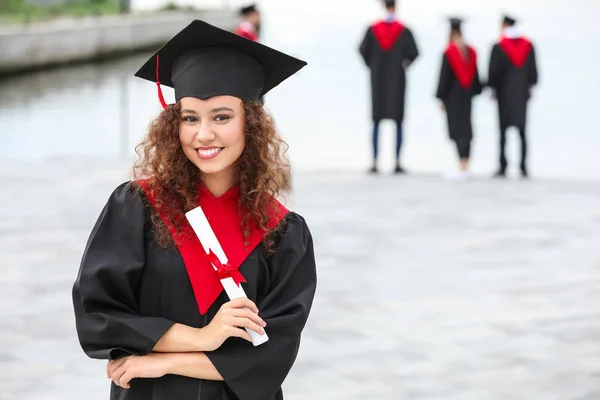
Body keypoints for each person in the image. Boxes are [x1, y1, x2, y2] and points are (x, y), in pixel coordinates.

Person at [71, 20, 316, 400]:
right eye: (190, 118)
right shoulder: (136, 208)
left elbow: (272, 355)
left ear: (250, 125)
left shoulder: (283, 233)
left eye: (221, 117)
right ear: (174, 125)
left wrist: (162, 360)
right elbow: (99, 317)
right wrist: (203, 337)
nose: (203, 135)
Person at [359, 0, 419, 174]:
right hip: (397, 81)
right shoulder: (404, 30)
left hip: (377, 80)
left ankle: (375, 162)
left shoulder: (372, 29)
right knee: (398, 122)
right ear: (395, 7)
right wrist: (404, 64)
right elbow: (414, 53)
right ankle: (397, 162)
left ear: (383, 7)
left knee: (376, 121)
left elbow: (362, 50)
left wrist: (373, 65)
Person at [487, 14, 538, 178]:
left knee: (502, 132)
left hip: (504, 95)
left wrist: (492, 89)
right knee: (522, 131)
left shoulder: (499, 46)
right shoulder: (528, 46)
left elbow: (494, 72)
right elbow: (533, 71)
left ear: (504, 25)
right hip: (522, 94)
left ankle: (503, 166)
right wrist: (530, 88)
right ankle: (523, 166)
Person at [435, 17, 483, 180]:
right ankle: (466, 164)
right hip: (466, 97)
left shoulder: (449, 53)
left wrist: (441, 98)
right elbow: (476, 78)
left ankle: (461, 165)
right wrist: (474, 91)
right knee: (466, 129)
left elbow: (444, 77)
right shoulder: (470, 52)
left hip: (452, 98)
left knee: (456, 130)